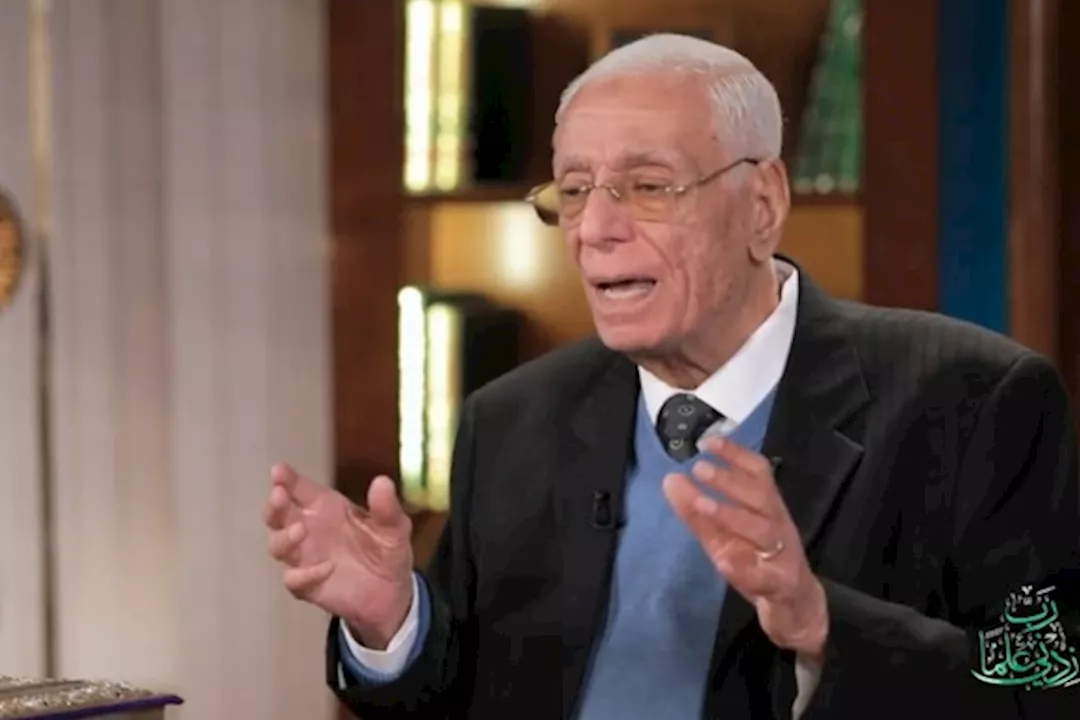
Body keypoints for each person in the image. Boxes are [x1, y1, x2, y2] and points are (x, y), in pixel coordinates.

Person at [264, 34, 1080, 719]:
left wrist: (822, 624)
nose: (595, 230)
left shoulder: (972, 402)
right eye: (574, 191)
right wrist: (395, 624)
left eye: (648, 187)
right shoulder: (512, 420)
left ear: (762, 206)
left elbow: (1050, 683)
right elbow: (462, 695)